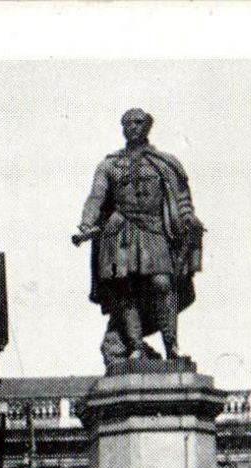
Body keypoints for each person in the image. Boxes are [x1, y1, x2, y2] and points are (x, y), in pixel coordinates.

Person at [72, 108, 205, 367]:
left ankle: (171, 346)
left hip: (154, 228)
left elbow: (181, 198)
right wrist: (86, 225)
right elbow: (96, 198)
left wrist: (188, 219)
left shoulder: (165, 163)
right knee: (125, 289)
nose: (132, 127)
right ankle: (135, 348)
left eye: (137, 123)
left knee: (162, 283)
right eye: (127, 124)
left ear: (147, 127)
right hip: (119, 231)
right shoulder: (109, 164)